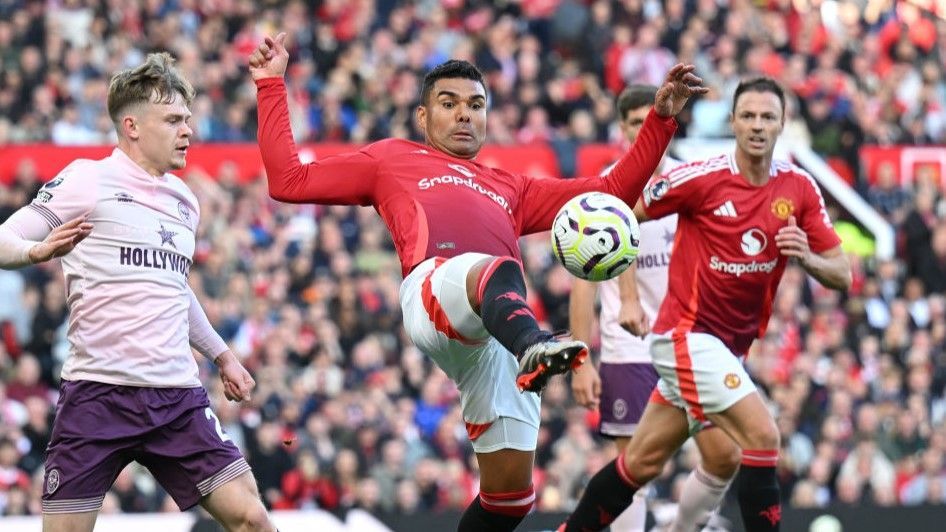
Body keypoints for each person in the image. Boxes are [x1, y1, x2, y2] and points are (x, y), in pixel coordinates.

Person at [249, 32, 706, 532]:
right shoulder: (391, 158)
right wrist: (271, 85)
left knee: (511, 500)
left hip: (496, 333)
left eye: (475, 104)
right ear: (423, 118)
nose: (465, 114)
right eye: (449, 104)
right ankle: (534, 345)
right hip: (437, 293)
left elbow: (611, 192)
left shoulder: (510, 186)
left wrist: (662, 119)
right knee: (492, 269)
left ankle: (528, 347)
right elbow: (287, 180)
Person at [558, 77, 851, 532]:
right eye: (748, 116)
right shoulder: (698, 177)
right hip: (682, 337)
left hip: (726, 347)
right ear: (731, 122)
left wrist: (807, 257)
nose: (757, 126)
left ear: (782, 125)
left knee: (645, 463)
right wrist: (614, 298)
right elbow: (618, 211)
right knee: (762, 436)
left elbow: (843, 274)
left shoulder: (799, 189)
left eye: (767, 117)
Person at [0, 53, 275, 532]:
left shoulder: (184, 200)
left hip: (175, 397)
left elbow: (174, 288)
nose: (187, 129)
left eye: (188, 118)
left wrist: (222, 355)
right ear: (131, 126)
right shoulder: (87, 179)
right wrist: (36, 252)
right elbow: (4, 239)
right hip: (96, 395)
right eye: (172, 120)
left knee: (252, 518)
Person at [569, 85, 740, 531]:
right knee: (632, 468)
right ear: (622, 129)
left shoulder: (692, 181)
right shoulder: (601, 192)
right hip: (630, 347)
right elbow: (584, 284)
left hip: (691, 339)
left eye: (653, 120)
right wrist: (581, 359)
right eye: (634, 122)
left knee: (724, 454)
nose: (645, 130)